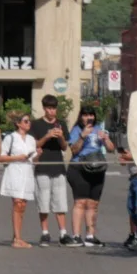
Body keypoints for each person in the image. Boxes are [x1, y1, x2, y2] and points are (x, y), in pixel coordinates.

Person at [65, 103, 115, 246]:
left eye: (91, 115)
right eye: (85, 115)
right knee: (80, 202)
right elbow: (74, 150)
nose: (89, 118)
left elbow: (111, 149)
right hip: (79, 168)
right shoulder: (76, 130)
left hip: (97, 168)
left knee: (93, 204)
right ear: (81, 117)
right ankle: (76, 236)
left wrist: (105, 139)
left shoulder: (99, 129)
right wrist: (82, 136)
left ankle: (90, 236)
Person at [28, 95, 73, 245]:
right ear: (44, 108)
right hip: (42, 167)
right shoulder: (36, 124)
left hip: (58, 166)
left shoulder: (61, 124)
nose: (52, 111)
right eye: (49, 108)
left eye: (54, 108)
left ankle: (63, 233)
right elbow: (34, 145)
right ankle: (45, 233)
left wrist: (60, 137)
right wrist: (47, 136)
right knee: (43, 200)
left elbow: (65, 147)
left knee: (60, 201)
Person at [0, 112, 39, 247]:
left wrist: (38, 155)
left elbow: (34, 160)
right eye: (26, 121)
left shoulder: (31, 139)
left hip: (27, 173)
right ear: (18, 123)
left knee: (22, 205)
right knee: (17, 203)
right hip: (14, 172)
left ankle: (17, 235)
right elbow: (0, 157)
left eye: (29, 121)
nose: (29, 123)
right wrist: (17, 157)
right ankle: (17, 239)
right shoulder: (10, 138)